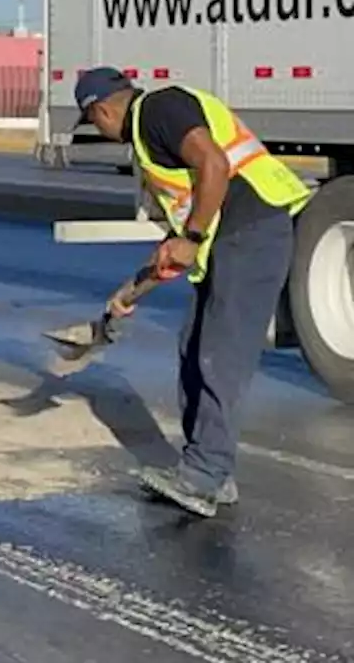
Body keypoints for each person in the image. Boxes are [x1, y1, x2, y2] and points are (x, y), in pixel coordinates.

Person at [73, 66, 311, 517]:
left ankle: (203, 476)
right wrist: (129, 293)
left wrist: (194, 238)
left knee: (220, 354)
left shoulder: (159, 110)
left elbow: (214, 166)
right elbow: (177, 241)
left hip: (254, 230)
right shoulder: (151, 137)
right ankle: (209, 472)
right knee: (194, 347)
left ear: (102, 110)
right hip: (232, 237)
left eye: (94, 123)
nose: (101, 133)